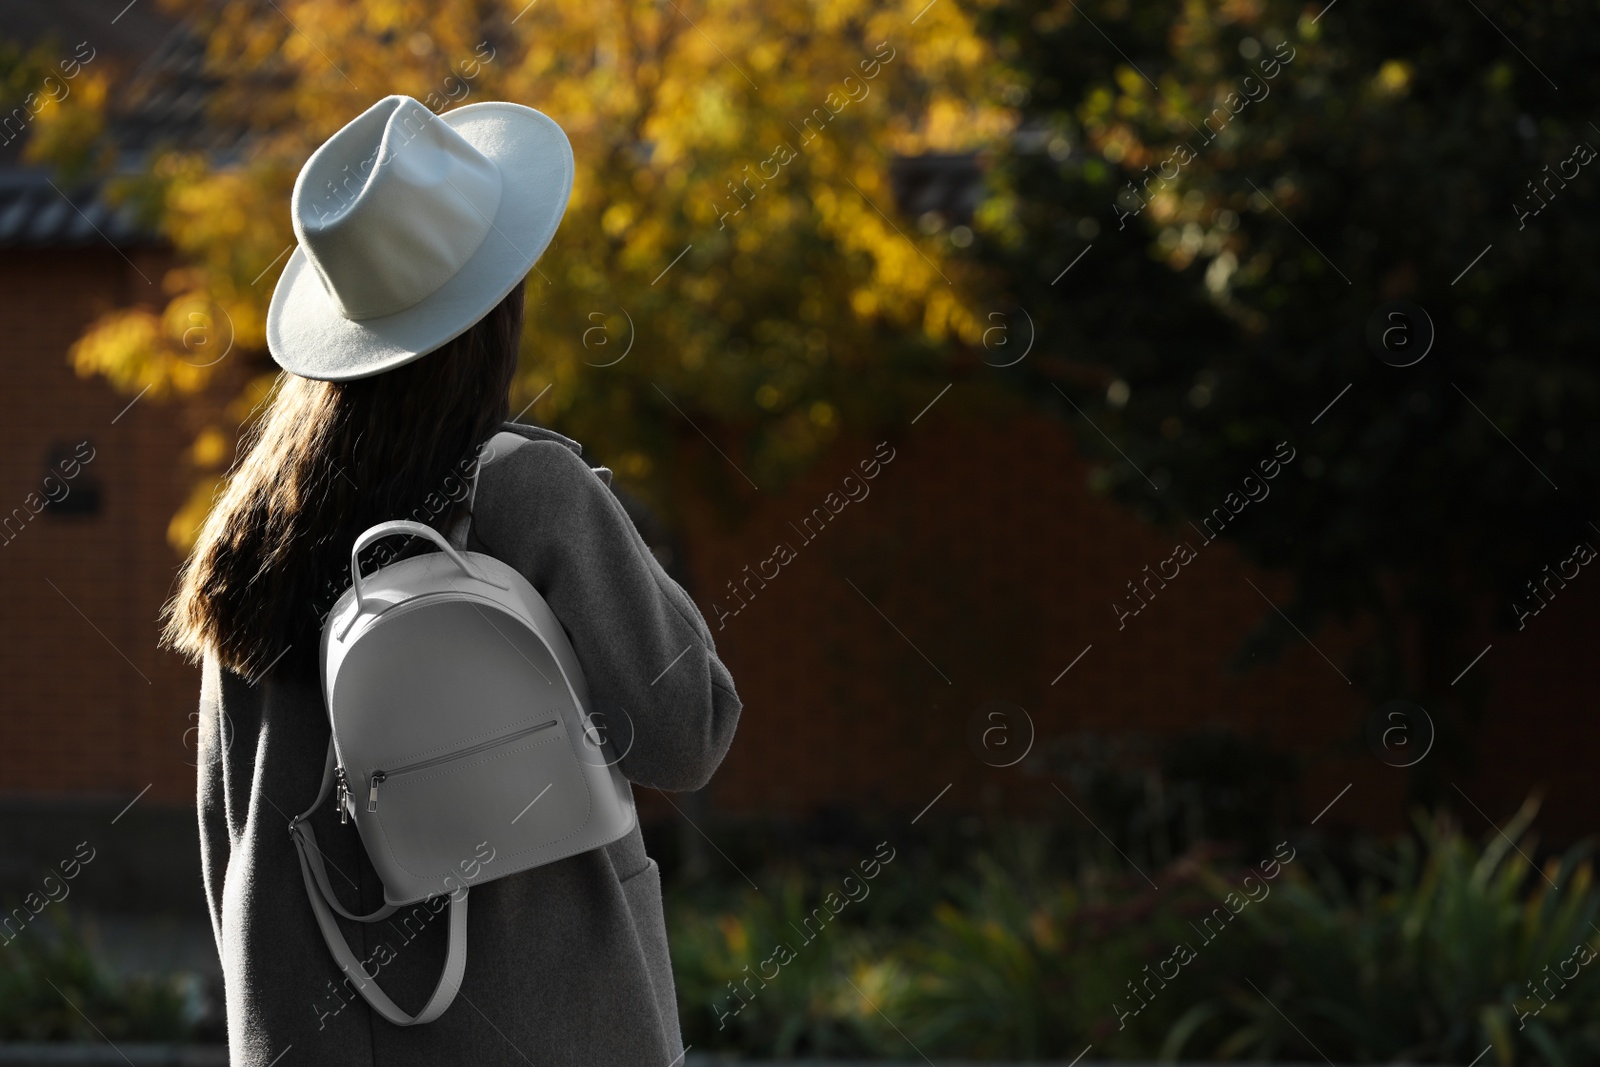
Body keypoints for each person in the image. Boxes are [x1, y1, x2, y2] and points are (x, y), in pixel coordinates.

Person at [160, 95, 741, 1066]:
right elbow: (689, 729)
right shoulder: (533, 490)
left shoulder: (247, 532)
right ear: (495, 308)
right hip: (545, 1027)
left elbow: (226, 824)